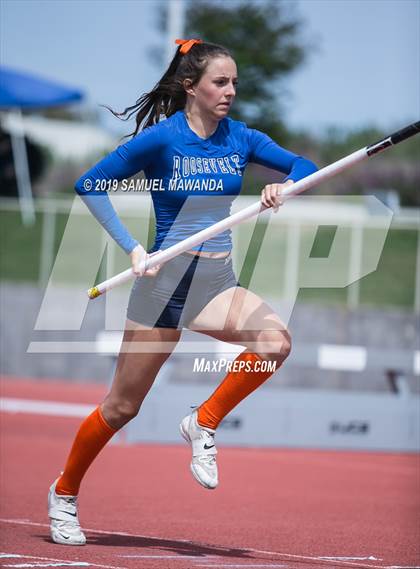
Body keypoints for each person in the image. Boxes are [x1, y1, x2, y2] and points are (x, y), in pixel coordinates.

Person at [48, 38, 318, 546]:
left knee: (274, 343)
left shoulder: (241, 137)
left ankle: (203, 422)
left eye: (235, 82)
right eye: (221, 81)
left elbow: (303, 166)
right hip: (163, 287)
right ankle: (64, 493)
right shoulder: (163, 139)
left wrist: (285, 185)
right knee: (121, 409)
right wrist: (131, 248)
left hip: (215, 282)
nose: (231, 91)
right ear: (190, 86)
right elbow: (90, 184)